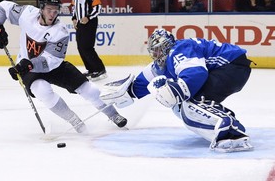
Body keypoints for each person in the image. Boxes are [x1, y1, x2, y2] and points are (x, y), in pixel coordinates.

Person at [0, 0, 127, 133]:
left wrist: (27, 65)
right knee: (42, 91)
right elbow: (2, 7)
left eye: (55, 11)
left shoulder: (60, 32)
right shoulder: (27, 13)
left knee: (89, 90)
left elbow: (51, 61)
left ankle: (113, 114)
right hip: (28, 69)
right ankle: (73, 119)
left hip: (51, 66)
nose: (52, 14)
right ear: (41, 9)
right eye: (49, 10)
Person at [105, 28, 254, 152]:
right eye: (153, 51)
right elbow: (142, 83)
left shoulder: (179, 50)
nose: (155, 55)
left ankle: (231, 132)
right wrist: (126, 94)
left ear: (166, 46)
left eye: (158, 50)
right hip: (231, 67)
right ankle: (219, 124)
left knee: (188, 99)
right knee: (181, 105)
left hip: (232, 66)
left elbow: (196, 74)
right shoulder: (163, 62)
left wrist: (177, 90)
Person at [71, 0, 107, 81]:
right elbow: (74, 7)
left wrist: (89, 17)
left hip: (90, 22)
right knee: (80, 47)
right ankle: (91, 69)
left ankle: (100, 69)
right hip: (80, 23)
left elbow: (98, 7)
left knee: (87, 46)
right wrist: (74, 19)